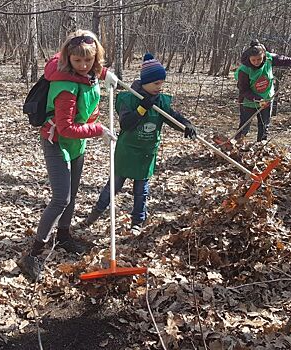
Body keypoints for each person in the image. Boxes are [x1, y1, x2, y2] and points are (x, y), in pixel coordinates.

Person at [17, 30, 118, 281]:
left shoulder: (88, 72)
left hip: (76, 145)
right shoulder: (65, 86)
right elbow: (66, 128)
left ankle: (63, 236)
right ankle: (33, 253)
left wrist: (106, 75)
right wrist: (99, 130)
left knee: (72, 195)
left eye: (89, 60)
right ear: (68, 58)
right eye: (77, 61)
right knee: (61, 198)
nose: (84, 66)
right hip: (57, 142)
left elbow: (92, 71)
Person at [85, 53, 197, 234]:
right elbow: (127, 124)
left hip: (146, 154)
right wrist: (142, 107)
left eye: (161, 83)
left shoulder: (160, 100)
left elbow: (172, 117)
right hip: (127, 152)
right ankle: (94, 215)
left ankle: (137, 221)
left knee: (141, 192)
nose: (159, 87)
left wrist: (186, 125)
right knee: (112, 187)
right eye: (156, 83)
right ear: (145, 82)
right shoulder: (128, 99)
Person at [234, 39, 291, 141]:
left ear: (263, 55)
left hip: (267, 98)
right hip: (248, 102)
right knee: (243, 129)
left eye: (259, 59)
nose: (256, 62)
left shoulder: (269, 58)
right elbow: (244, 90)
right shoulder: (244, 70)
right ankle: (236, 148)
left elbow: (284, 60)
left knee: (264, 128)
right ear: (249, 58)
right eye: (253, 60)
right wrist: (258, 99)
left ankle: (260, 149)